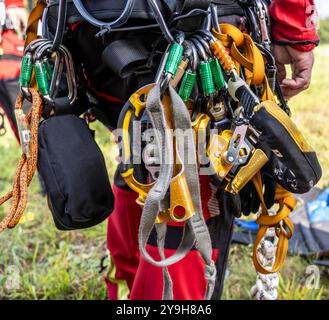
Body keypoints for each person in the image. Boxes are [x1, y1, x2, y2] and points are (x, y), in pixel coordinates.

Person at [104, 0, 320, 300]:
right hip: (200, 19)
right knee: (193, 175)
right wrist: (295, 30)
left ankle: (126, 283)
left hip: (94, 29)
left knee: (140, 142)